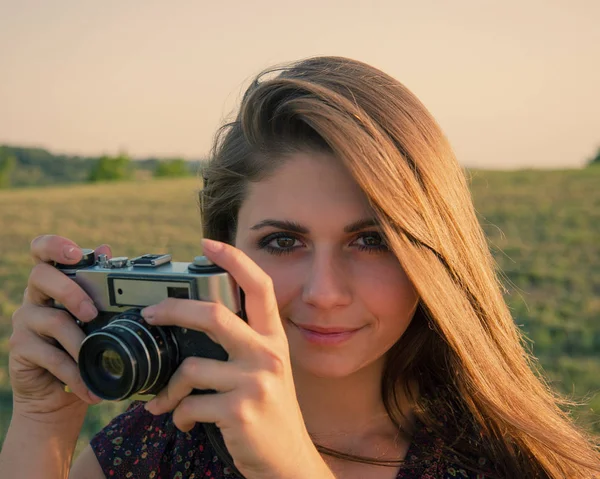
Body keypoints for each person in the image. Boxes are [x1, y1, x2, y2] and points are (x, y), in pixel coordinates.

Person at [1, 56, 599, 479]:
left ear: (434, 253)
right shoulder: (154, 449)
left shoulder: (522, 463)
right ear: (224, 252)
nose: (325, 292)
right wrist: (42, 423)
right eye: (284, 242)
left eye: (372, 241)